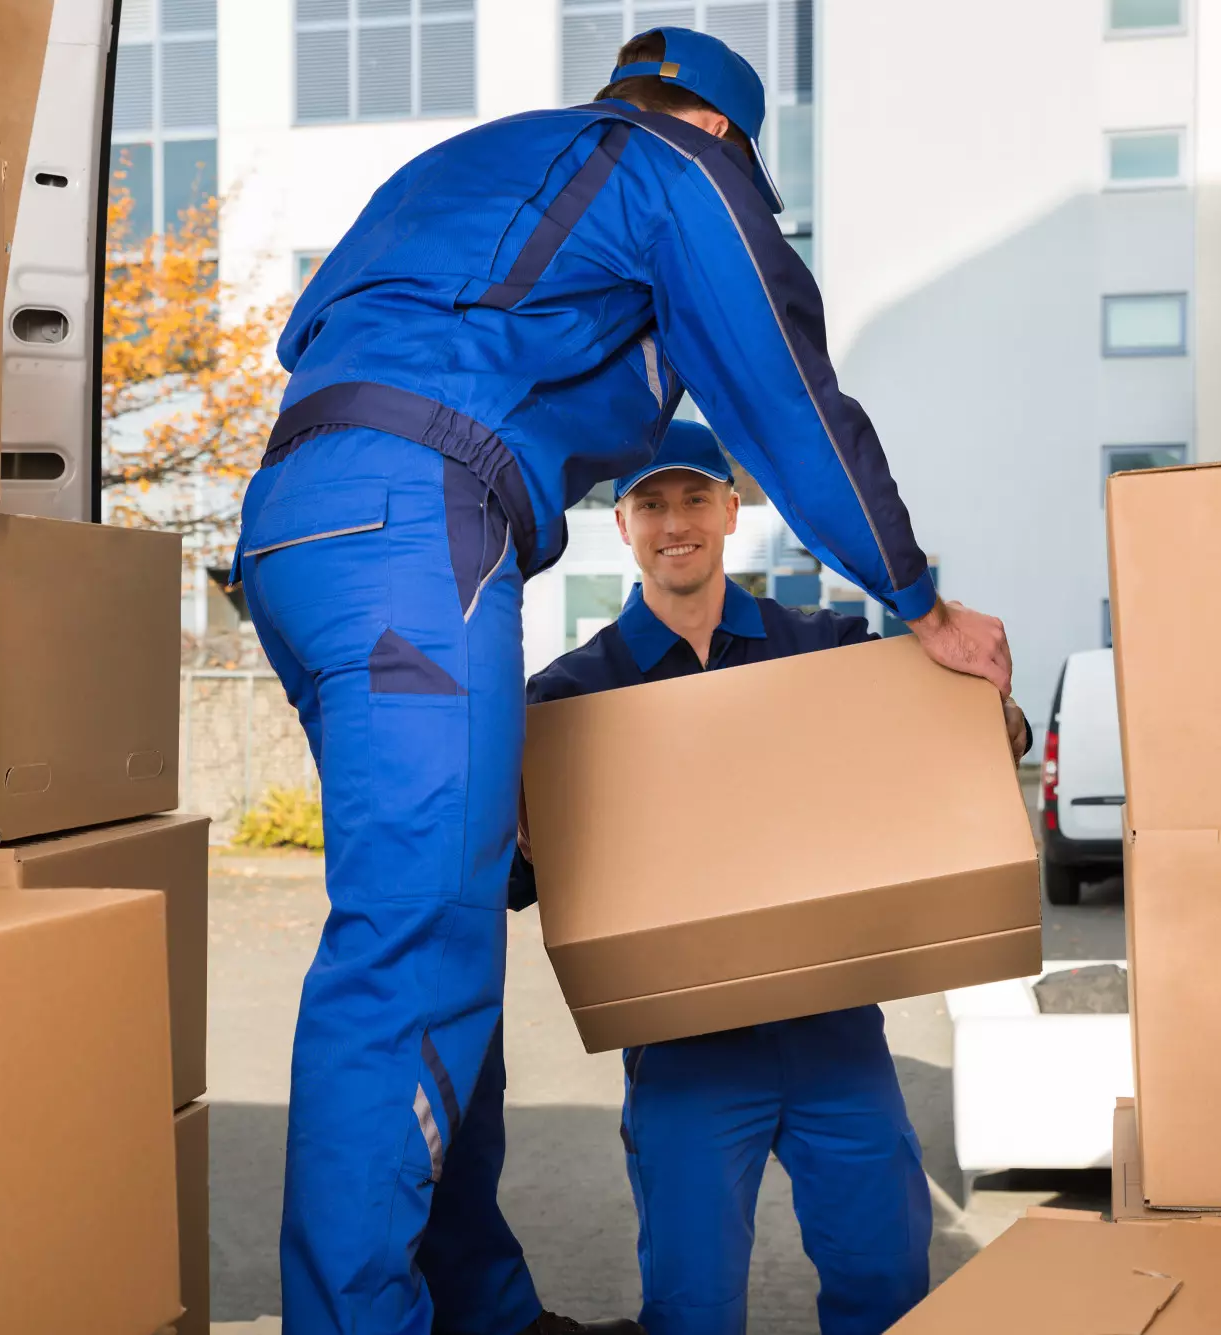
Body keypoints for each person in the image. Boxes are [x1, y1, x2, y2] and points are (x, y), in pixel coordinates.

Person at [229, 24, 1015, 1335]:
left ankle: (479, 1305)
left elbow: (323, 342)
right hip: (421, 520)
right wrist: (916, 593)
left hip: (302, 528)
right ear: (725, 138)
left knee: (440, 916)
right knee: (410, 948)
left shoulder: (477, 169)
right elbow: (786, 391)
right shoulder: (671, 170)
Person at [508, 423, 1030, 1335]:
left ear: (731, 511)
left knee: (888, 1285)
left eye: (696, 499)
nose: (677, 523)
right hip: (686, 1051)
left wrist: (1000, 722)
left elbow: (939, 745)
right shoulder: (569, 700)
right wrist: (514, 826)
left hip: (836, 1034)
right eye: (653, 505)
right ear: (622, 523)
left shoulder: (822, 647)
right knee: (692, 1309)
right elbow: (518, 878)